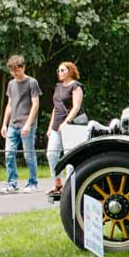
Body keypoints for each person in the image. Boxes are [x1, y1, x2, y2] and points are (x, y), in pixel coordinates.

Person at [0, 55, 41, 194]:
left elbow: (35, 104)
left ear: (23, 67)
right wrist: (4, 124)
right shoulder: (11, 84)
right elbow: (10, 105)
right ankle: (12, 184)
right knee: (8, 154)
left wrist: (28, 124)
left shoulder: (32, 82)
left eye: (17, 70)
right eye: (12, 71)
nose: (15, 73)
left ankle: (33, 182)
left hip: (26, 123)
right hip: (13, 124)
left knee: (28, 154)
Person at [46, 62, 84, 201]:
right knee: (51, 154)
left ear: (70, 71)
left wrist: (66, 122)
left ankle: (69, 187)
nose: (59, 72)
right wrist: (51, 127)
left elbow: (76, 107)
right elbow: (55, 108)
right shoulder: (58, 87)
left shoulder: (76, 86)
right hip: (57, 125)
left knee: (70, 156)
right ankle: (57, 184)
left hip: (72, 126)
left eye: (62, 70)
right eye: (58, 70)